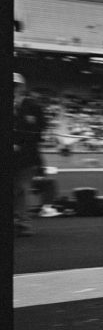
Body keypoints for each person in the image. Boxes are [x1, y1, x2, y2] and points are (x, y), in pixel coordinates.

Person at [13, 72, 47, 237]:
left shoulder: (34, 107)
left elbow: (40, 131)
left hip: (26, 157)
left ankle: (23, 223)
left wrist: (21, 144)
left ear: (22, 87)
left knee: (21, 189)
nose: (13, 89)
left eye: (15, 85)